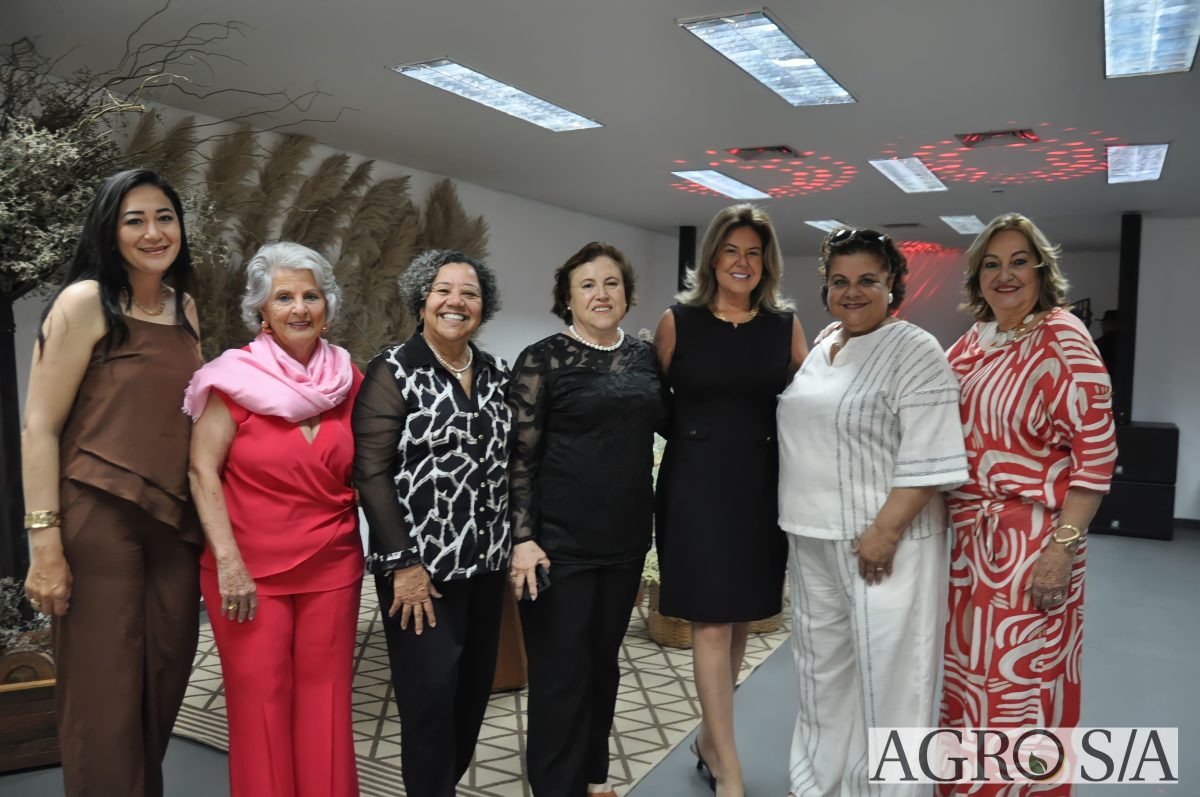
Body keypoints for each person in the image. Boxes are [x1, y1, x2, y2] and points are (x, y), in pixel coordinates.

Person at [20, 169, 202, 796]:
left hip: (174, 526)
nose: (154, 232)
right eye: (135, 220)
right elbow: (39, 427)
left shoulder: (185, 308)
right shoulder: (83, 302)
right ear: (109, 230)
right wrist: (44, 544)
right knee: (104, 697)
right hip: (97, 519)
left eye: (165, 217)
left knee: (163, 681)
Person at [776, 229, 969, 796]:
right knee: (820, 672)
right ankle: (819, 784)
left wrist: (884, 532)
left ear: (893, 286)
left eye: (867, 280)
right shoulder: (824, 345)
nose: (852, 292)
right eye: (840, 281)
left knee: (893, 678)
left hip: (886, 543)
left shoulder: (915, 350)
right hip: (812, 534)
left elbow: (931, 455)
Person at [939, 213, 1116, 796]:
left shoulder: (1062, 336)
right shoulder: (975, 339)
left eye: (1019, 261)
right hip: (968, 546)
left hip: (1029, 544)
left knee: (1015, 689)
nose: (1005, 274)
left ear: (1042, 270)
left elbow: (1096, 455)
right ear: (977, 278)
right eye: (991, 264)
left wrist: (1061, 552)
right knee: (966, 685)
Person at [184, 242, 363, 796]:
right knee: (260, 704)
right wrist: (229, 564)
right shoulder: (233, 377)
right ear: (261, 309)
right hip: (247, 571)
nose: (299, 308)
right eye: (284, 297)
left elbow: (373, 464)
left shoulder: (349, 379)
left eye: (311, 296)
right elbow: (201, 472)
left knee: (326, 702)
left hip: (333, 563)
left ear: (328, 305)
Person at [654, 204, 807, 796]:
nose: (742, 262)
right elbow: (654, 403)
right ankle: (729, 768)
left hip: (762, 485)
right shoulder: (678, 322)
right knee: (712, 621)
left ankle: (707, 739)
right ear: (712, 257)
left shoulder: (783, 327)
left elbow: (813, 402)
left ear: (767, 262)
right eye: (731, 251)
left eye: (753, 253)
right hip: (696, 486)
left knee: (740, 616)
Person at [508, 242, 667, 797]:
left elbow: (674, 424)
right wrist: (523, 538)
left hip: (625, 539)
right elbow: (518, 457)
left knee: (603, 664)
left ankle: (591, 779)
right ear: (568, 298)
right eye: (588, 285)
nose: (601, 294)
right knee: (561, 672)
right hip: (557, 544)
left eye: (611, 283)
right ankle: (556, 787)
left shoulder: (645, 357)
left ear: (627, 294)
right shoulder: (542, 359)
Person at [352, 249, 512, 797]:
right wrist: (403, 564)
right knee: (429, 698)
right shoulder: (394, 369)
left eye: (469, 292)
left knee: (471, 694)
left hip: (487, 564)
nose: (455, 301)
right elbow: (371, 472)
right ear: (421, 301)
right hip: (420, 571)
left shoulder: (496, 373)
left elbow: (512, 463)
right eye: (443, 290)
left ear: (483, 306)